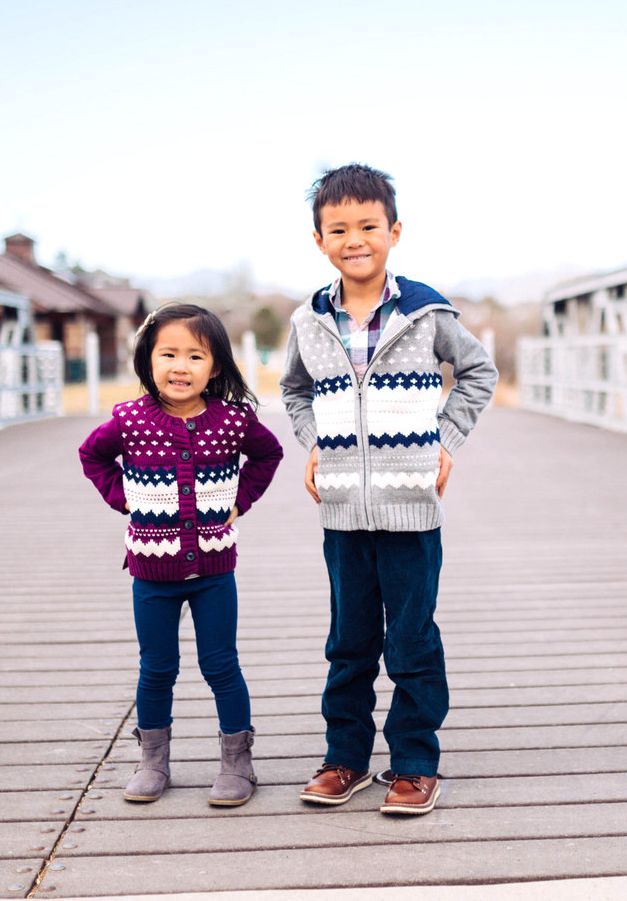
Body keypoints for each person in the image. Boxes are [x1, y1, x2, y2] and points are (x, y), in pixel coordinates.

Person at [280, 163, 498, 816]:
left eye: (369, 226)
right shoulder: (309, 321)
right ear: (319, 239)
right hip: (343, 513)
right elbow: (294, 390)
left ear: (394, 230)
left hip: (412, 511)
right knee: (348, 642)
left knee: (410, 639)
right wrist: (313, 441)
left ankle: (413, 764)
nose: (355, 239)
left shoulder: (426, 312)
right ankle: (345, 757)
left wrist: (447, 441)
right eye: (339, 228)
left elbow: (479, 370)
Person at [79, 303, 283, 807]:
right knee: (156, 668)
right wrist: (120, 497)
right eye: (168, 353)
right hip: (151, 572)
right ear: (148, 359)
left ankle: (238, 762)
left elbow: (269, 453)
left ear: (215, 367)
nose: (180, 366)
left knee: (221, 665)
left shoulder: (233, 420)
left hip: (214, 569)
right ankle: (153, 761)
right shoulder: (128, 420)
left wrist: (241, 501)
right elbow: (92, 455)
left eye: (195, 356)